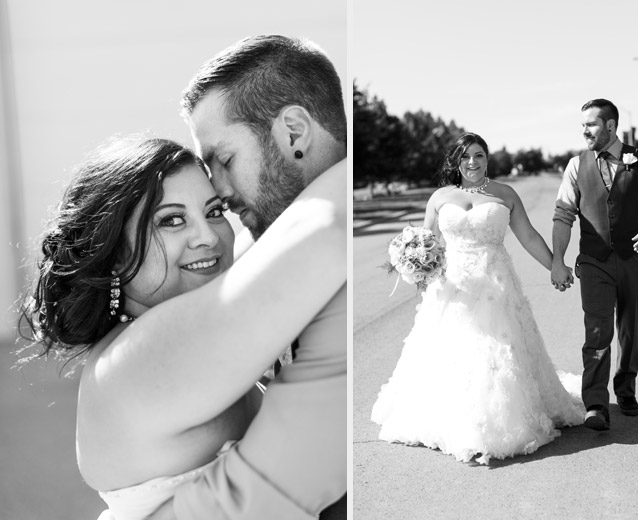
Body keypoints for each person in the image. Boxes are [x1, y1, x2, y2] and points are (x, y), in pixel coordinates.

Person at [18, 133, 346, 520]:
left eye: (214, 211)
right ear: (114, 254)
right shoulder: (137, 359)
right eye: (172, 220)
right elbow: (329, 228)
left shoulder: (172, 321)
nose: (208, 237)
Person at [147, 35, 348, 520]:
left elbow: (282, 476)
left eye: (224, 159)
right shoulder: (250, 241)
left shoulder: (335, 241)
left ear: (295, 132)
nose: (215, 188)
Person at [371, 132, 583, 465]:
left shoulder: (504, 194)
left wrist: (556, 265)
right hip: (452, 287)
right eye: (466, 156)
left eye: (480, 155)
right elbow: (427, 242)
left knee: (498, 351)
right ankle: (456, 423)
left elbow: (527, 236)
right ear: (456, 161)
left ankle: (497, 424)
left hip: (496, 283)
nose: (473, 162)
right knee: (453, 353)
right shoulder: (440, 197)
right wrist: (416, 266)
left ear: (488, 159)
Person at [551, 98, 638, 431]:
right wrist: (557, 261)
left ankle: (626, 386)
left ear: (609, 125)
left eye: (590, 124)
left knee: (630, 330)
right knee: (597, 331)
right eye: (583, 125)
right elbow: (563, 214)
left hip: (634, 260)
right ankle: (596, 404)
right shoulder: (576, 166)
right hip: (593, 262)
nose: (584, 131)